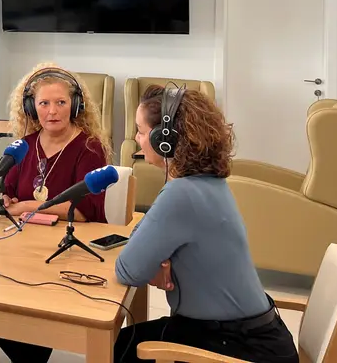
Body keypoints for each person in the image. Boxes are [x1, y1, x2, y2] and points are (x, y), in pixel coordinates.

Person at [113, 84, 299, 363]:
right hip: (256, 336)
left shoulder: (182, 193)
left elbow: (127, 269)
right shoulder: (205, 182)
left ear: (166, 138)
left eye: (140, 131)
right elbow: (143, 233)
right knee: (126, 342)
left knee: (121, 348)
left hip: (240, 347)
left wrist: (155, 259)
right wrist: (160, 259)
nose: (137, 139)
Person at [0, 63, 111, 363]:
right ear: (31, 107)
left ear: (75, 106)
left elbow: (83, 211)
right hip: (23, 249)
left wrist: (27, 206)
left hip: (67, 254)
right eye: (44, 103)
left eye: (61, 103)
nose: (52, 111)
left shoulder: (89, 148)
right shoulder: (24, 146)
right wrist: (4, 201)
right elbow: (12, 191)